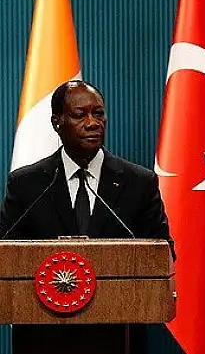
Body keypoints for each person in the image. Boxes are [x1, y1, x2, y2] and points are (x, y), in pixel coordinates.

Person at [0, 80, 174, 354]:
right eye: (79, 115)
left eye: (99, 113)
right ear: (57, 123)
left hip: (117, 339)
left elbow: (163, 253)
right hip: (44, 339)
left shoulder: (139, 182)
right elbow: (6, 256)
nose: (93, 123)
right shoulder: (27, 184)